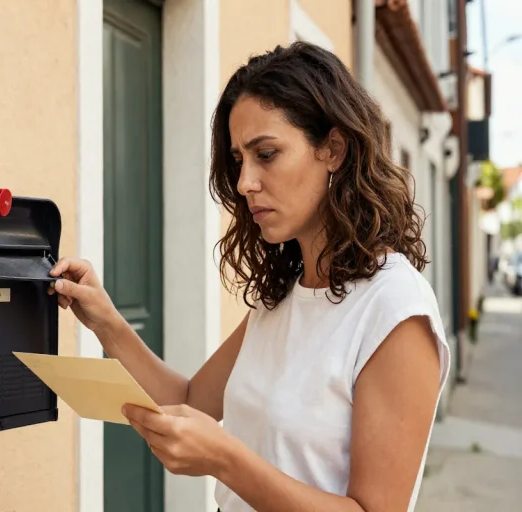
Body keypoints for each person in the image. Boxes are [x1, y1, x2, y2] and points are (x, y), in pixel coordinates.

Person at [48, 41, 450, 512]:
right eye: (240, 159)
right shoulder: (282, 298)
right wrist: (105, 321)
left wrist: (225, 460)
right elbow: (191, 399)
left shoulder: (395, 308)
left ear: (334, 150)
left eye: (267, 154)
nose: (245, 183)